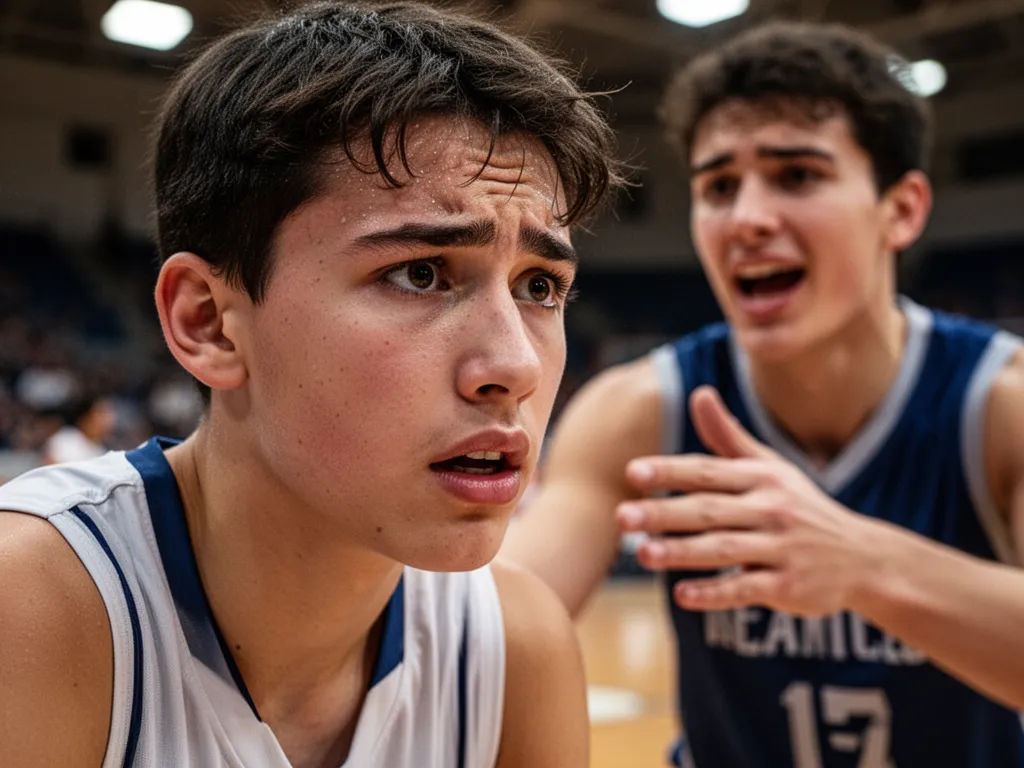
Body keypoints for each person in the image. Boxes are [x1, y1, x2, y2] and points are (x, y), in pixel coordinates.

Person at [0, 2, 623, 766]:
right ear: (209, 323)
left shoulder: (514, 647)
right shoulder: (28, 611)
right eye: (419, 274)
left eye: (540, 288)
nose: (516, 366)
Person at [501, 19, 1024, 767]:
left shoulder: (1001, 403)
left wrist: (865, 566)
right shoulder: (637, 410)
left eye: (797, 175)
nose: (746, 218)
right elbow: (495, 624)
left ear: (901, 209)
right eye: (719, 186)